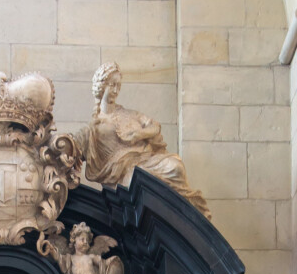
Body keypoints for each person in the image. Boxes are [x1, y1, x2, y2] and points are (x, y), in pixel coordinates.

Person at [78, 62, 210, 217]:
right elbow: (74, 147)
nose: (115, 90)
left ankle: (188, 214)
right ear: (101, 87)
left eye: (118, 86)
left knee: (176, 166)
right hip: (124, 172)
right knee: (137, 182)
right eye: (112, 85)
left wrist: (138, 135)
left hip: (146, 160)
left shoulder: (129, 114)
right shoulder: (93, 128)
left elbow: (154, 127)